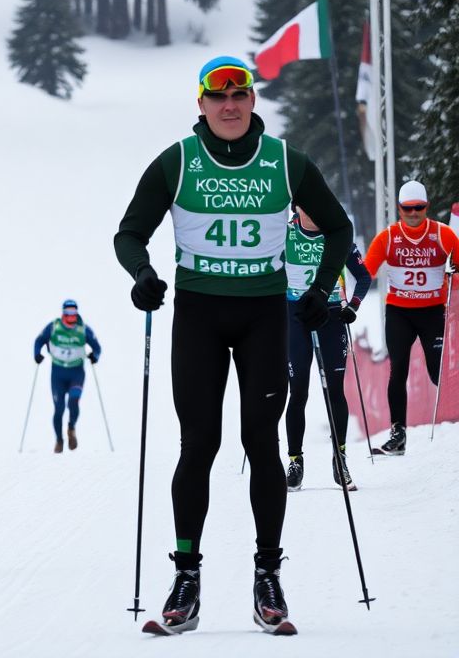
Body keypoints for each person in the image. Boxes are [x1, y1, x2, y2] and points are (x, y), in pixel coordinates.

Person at [114, 56, 351, 635]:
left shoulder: (286, 162)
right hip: (198, 315)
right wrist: (142, 275)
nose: (229, 105)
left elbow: (338, 228)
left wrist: (321, 290)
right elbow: (129, 233)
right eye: (217, 96)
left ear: (251, 101)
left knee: (262, 443)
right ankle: (186, 580)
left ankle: (268, 577)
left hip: (263, 316)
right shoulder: (177, 162)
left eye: (239, 94)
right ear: (201, 103)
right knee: (198, 445)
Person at [362, 179, 458, 456]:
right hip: (399, 313)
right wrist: (344, 295)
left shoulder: (442, 234)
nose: (413, 213)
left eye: (419, 207)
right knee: (398, 370)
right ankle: (398, 434)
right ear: (399, 209)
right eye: (407, 208)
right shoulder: (388, 237)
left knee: (439, 372)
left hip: (432, 312)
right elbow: (366, 272)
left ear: (426, 207)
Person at [284, 204, 371, 492]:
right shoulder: (284, 234)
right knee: (298, 391)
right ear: (296, 207)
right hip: (295, 316)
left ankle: (340, 458)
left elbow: (364, 276)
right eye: (307, 205)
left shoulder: (336, 234)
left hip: (331, 314)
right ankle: (295, 461)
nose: (314, 210)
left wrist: (353, 307)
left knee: (335, 390)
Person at [33, 299, 101, 453]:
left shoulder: (83, 329)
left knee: (74, 401)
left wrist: (95, 356)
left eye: (74, 312)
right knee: (59, 408)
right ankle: (59, 440)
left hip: (76, 372)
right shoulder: (54, 327)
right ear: (63, 313)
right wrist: (36, 354)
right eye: (68, 312)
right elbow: (39, 340)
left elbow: (97, 347)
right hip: (58, 373)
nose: (71, 315)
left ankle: (71, 428)